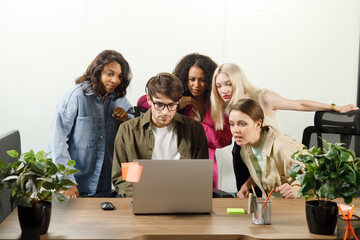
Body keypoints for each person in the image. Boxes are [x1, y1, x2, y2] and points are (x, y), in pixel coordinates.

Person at [210, 63, 358, 194]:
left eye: (228, 84)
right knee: (249, 202)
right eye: (219, 86)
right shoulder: (229, 105)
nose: (224, 90)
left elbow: (298, 104)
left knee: (279, 194)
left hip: (273, 154)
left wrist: (334, 107)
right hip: (246, 153)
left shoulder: (263, 97)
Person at [137, 53, 232, 188]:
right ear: (184, 78)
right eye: (192, 79)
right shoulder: (176, 97)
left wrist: (198, 127)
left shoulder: (218, 104)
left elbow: (226, 139)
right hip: (175, 163)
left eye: (202, 80)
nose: (196, 85)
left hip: (207, 166)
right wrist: (177, 104)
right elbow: (143, 102)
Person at [48, 50, 133, 198]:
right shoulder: (76, 97)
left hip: (104, 188)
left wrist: (126, 118)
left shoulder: (119, 99)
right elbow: (57, 141)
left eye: (119, 76)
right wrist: (66, 180)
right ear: (97, 72)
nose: (115, 80)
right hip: (73, 188)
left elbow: (136, 132)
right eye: (110, 74)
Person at [112, 73, 209, 197]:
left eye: (171, 105)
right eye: (159, 104)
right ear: (149, 100)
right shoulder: (128, 131)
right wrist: (142, 198)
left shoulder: (194, 130)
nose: (165, 112)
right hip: (141, 197)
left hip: (183, 199)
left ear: (178, 101)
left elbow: (200, 176)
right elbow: (122, 178)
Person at [229, 99, 304, 198]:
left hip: (299, 206)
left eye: (242, 124)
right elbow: (264, 170)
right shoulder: (244, 150)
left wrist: (296, 188)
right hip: (272, 206)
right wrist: (247, 185)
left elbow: (313, 169)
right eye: (232, 124)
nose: (235, 130)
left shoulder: (281, 146)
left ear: (258, 124)